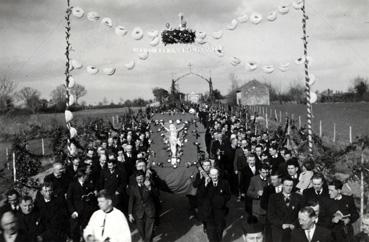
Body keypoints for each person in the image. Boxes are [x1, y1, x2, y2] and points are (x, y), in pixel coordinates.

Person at [197, 168, 231, 242]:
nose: (214, 177)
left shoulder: (224, 183)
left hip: (220, 211)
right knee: (211, 233)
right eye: (212, 175)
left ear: (218, 174)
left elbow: (228, 195)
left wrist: (221, 200)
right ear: (209, 175)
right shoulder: (205, 183)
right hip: (209, 212)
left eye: (215, 175)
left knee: (219, 230)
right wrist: (205, 185)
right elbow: (200, 196)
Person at [267, 177, 304, 242]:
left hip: (294, 230)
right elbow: (270, 215)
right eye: (287, 185)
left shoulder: (299, 197)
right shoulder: (273, 197)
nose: (289, 188)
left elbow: (302, 214)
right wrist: (281, 224)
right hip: (278, 230)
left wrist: (295, 224)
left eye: (291, 186)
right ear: (282, 185)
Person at [67, 168, 97, 242]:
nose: (87, 177)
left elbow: (93, 191)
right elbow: (69, 199)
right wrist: (73, 211)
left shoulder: (88, 184)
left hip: (86, 212)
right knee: (75, 231)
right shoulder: (72, 185)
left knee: (86, 230)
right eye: (86, 176)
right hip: (76, 213)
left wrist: (91, 195)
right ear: (82, 176)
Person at [128, 170, 158, 242]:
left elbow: (156, 195)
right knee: (141, 232)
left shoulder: (150, 184)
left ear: (144, 177)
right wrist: (130, 214)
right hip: (139, 213)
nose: (139, 181)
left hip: (150, 211)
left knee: (149, 232)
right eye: (138, 179)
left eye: (141, 179)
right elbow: (131, 201)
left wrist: (150, 188)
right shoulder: (133, 187)